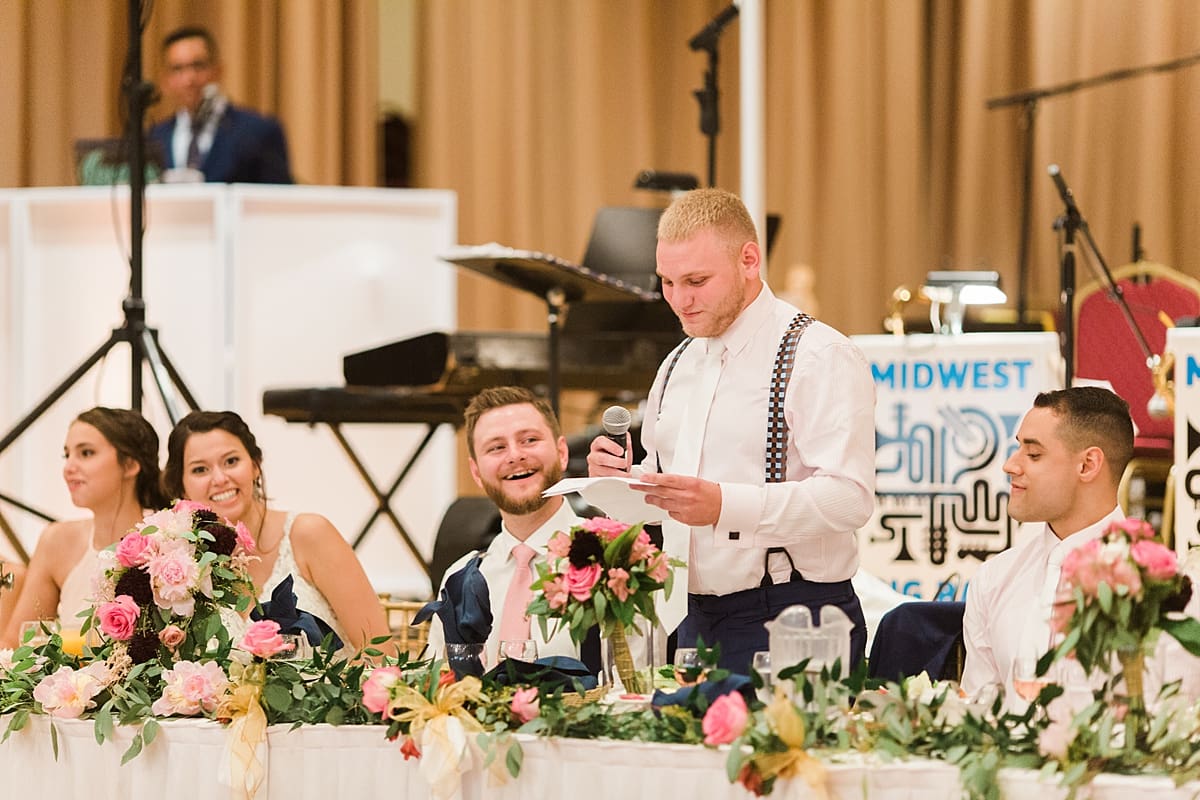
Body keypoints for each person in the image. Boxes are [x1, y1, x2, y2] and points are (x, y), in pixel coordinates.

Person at [587, 188, 876, 675]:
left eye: (697, 281)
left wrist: (725, 506)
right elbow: (669, 496)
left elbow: (851, 499)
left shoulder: (818, 355)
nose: (680, 300)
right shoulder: (677, 363)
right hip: (691, 619)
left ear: (749, 260)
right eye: (667, 282)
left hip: (796, 616)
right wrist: (620, 480)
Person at [961, 387, 1199, 703]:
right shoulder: (994, 579)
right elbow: (975, 708)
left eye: (1033, 454)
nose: (1011, 465)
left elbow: (1179, 713)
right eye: (1018, 449)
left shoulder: (1170, 588)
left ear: (1088, 465)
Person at [161, 410, 387, 651]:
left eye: (231, 461)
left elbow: (381, 654)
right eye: (200, 470)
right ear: (181, 486)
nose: (219, 478)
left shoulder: (309, 534)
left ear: (255, 465)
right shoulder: (175, 569)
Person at [425, 386, 589, 668]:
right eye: (496, 447)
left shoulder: (615, 562)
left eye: (529, 440)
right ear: (476, 472)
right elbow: (440, 685)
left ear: (562, 452)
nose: (514, 455)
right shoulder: (459, 580)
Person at [0, 407, 168, 648]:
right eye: (67, 455)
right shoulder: (56, 540)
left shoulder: (167, 544)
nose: (69, 468)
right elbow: (17, 643)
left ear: (130, 465)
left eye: (86, 453)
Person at [148, 26, 293, 184]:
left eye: (198, 66)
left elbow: (277, 194)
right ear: (165, 80)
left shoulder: (258, 132)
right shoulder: (154, 138)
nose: (189, 79)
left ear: (218, 70)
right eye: (178, 69)